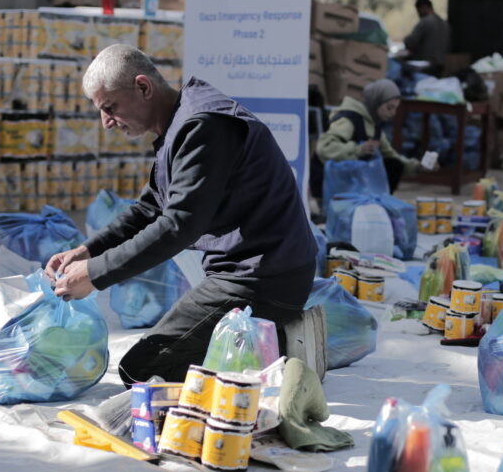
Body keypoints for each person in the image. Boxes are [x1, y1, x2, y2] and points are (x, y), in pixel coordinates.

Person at [45, 44, 317, 385]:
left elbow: (180, 225)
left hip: (263, 278)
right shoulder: (181, 124)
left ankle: (268, 348)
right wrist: (87, 252)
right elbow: (149, 209)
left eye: (110, 107)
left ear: (143, 87)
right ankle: (259, 342)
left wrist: (95, 274)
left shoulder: (203, 127)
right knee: (156, 361)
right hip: (245, 270)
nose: (107, 123)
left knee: (142, 374)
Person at [315, 79, 420, 193]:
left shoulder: (375, 127)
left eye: (395, 108)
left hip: (351, 181)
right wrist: (358, 150)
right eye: (389, 108)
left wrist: (417, 167)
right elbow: (324, 147)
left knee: (394, 165)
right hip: (329, 183)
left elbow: (391, 155)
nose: (393, 113)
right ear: (376, 103)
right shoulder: (349, 119)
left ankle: (379, 202)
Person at [402, 0, 450, 76]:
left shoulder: (425, 22)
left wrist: (406, 41)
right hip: (440, 64)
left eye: (418, 10)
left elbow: (411, 41)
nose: (418, 13)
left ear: (423, 8)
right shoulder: (445, 24)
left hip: (425, 66)